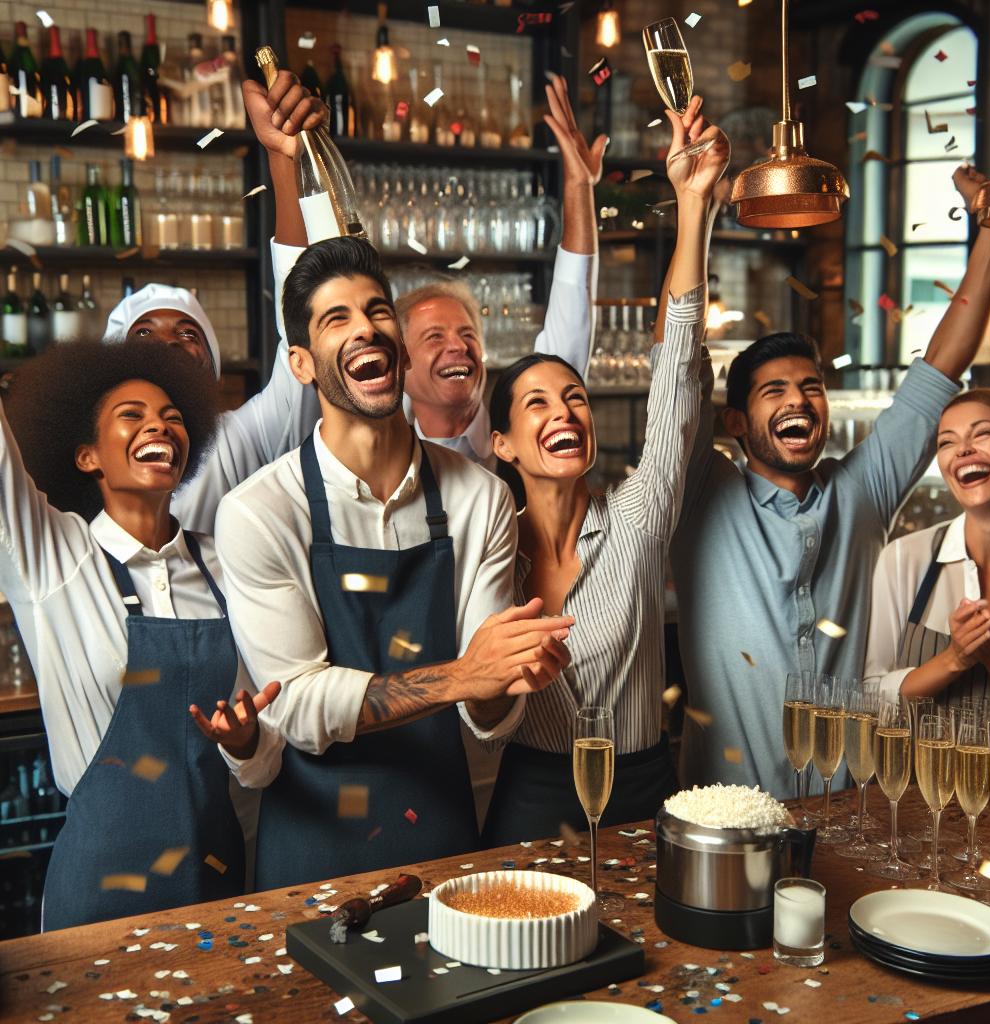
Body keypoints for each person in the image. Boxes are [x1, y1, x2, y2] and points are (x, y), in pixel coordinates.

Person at [214, 236, 574, 890]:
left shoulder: (479, 498)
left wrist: (507, 680)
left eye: (377, 312)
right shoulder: (259, 512)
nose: (365, 329)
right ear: (301, 363)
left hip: (441, 835)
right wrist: (466, 673)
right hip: (311, 849)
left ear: (401, 350)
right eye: (337, 319)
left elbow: (484, 716)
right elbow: (297, 704)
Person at [670, 165, 990, 798]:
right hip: (727, 811)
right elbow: (678, 367)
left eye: (811, 388)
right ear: (735, 423)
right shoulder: (702, 491)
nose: (798, 400)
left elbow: (943, 363)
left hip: (849, 807)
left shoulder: (861, 492)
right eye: (774, 391)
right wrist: (696, 209)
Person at [480, 98, 726, 845]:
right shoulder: (485, 546)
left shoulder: (636, 516)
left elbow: (677, 379)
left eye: (575, 397)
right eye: (538, 403)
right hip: (529, 786)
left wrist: (692, 206)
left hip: (645, 782)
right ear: (503, 444)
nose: (565, 412)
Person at [0, 340, 278, 930]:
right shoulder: (53, 558)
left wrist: (248, 742)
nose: (160, 425)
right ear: (86, 457)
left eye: (173, 418)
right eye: (133, 415)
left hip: (220, 873)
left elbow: (262, 762)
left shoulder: (226, 563)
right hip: (102, 885)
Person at [101, 69, 326, 534]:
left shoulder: (241, 437)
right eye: (145, 333)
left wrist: (283, 159)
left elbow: (303, 320)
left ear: (213, 367)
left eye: (188, 333)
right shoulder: (82, 454)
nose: (168, 342)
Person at [394, 75, 601, 468]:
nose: (458, 346)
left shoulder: (519, 430)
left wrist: (578, 186)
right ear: (400, 362)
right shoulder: (383, 449)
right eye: (435, 337)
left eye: (467, 333)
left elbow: (571, 318)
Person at [865, 388, 990, 718]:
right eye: (947, 442)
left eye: (982, 433)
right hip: (916, 772)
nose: (964, 449)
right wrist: (955, 658)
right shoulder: (905, 559)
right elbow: (872, 699)